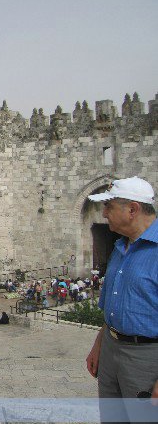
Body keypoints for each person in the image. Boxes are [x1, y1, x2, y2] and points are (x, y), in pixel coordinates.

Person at [84, 177, 158, 418]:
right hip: (111, 350)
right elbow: (112, 307)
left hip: (146, 358)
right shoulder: (120, 248)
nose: (104, 214)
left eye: (109, 206)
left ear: (132, 210)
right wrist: (99, 345)